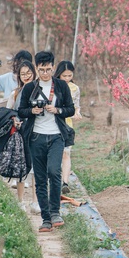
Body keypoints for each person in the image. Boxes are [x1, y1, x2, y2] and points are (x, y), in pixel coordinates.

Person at [18, 51, 75, 232]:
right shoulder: (29, 88)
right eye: (41, 70)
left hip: (57, 135)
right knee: (41, 178)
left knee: (54, 172)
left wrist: (57, 110)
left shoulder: (60, 86)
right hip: (36, 137)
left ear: (53, 67)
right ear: (36, 68)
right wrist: (32, 111)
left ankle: (55, 211)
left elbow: (71, 109)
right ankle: (46, 218)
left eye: (48, 69)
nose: (45, 73)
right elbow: (21, 111)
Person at [7, 60, 37, 211]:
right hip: (21, 133)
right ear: (19, 76)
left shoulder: (40, 90)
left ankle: (35, 202)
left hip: (38, 132)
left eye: (28, 73)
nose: (26, 76)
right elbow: (9, 111)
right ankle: (20, 201)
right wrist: (14, 120)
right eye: (23, 74)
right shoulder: (16, 93)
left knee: (37, 168)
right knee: (21, 167)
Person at [54, 60, 82, 195]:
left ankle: (65, 182)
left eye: (69, 76)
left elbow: (76, 106)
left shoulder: (75, 89)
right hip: (52, 123)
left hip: (67, 125)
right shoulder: (53, 86)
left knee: (66, 153)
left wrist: (77, 113)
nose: (66, 79)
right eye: (64, 76)